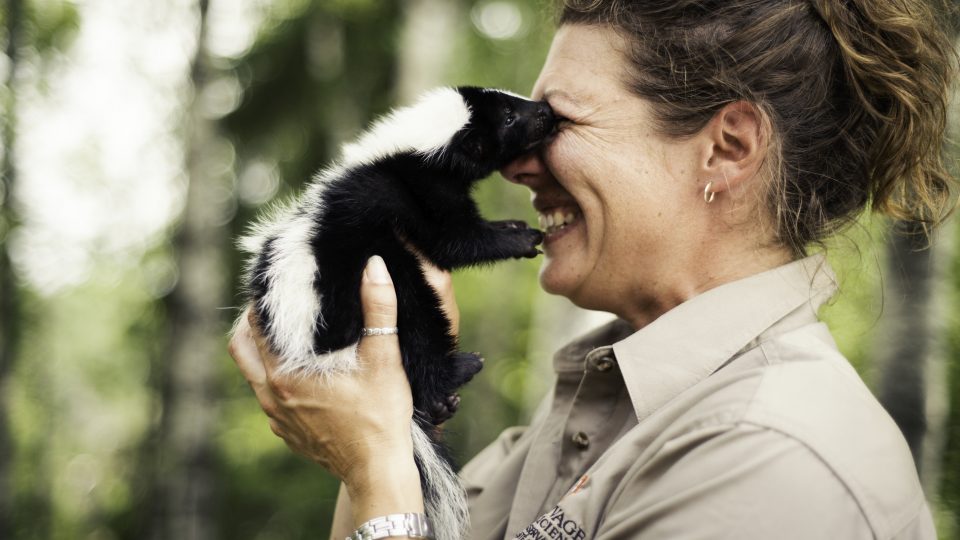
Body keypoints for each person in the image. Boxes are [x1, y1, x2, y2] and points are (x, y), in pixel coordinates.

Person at [228, 0, 957, 538]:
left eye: (562, 122)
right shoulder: (598, 415)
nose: (515, 165)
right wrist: (386, 417)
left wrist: (378, 467)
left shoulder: (770, 459)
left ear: (728, 149)